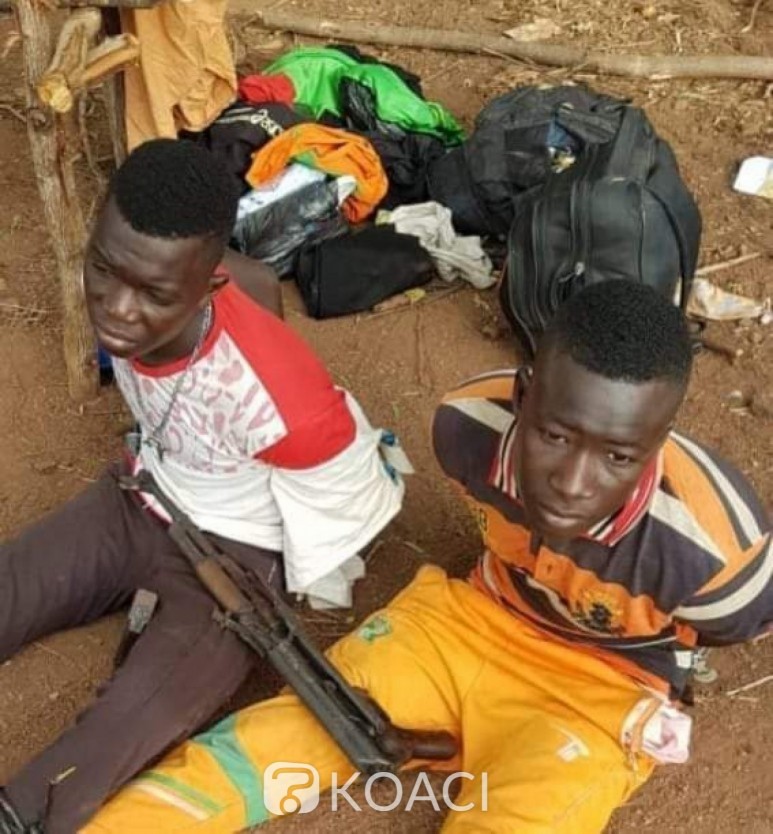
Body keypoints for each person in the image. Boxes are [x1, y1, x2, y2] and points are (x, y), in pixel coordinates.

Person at [84, 281, 771, 834]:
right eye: (556, 436)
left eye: (618, 456)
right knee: (290, 731)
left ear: (659, 439)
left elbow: (713, 628)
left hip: (600, 694)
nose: (572, 482)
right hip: (464, 624)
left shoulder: (720, 555)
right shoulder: (466, 428)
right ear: (524, 394)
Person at [0, 139, 406, 834]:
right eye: (104, 269)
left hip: (238, 556)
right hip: (145, 492)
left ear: (206, 286)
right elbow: (256, 280)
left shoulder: (287, 406)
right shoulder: (172, 274)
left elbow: (353, 500)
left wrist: (275, 582)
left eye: (154, 294)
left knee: (119, 732)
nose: (116, 309)